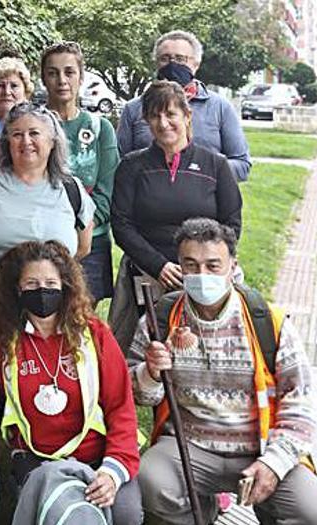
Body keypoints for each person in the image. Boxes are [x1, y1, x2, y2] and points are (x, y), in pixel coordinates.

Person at [132, 218, 317, 525]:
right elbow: (137, 394)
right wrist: (149, 372)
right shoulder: (160, 318)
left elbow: (300, 402)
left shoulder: (267, 321)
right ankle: (199, 518)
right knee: (149, 480)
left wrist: (273, 464)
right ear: (180, 267)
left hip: (259, 447)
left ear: (233, 266)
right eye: (191, 265)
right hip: (189, 446)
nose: (202, 275)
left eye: (213, 265)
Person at [0, 240, 142, 525]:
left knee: (127, 515)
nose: (41, 291)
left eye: (50, 283)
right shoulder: (0, 337)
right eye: (31, 283)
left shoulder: (94, 333)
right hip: (38, 458)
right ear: (17, 290)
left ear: (66, 286)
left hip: (97, 454)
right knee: (58, 508)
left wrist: (111, 473)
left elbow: (121, 407)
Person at [0, 102, 96, 512]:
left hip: (49, 316)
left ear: (53, 139)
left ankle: (37, 466)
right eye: (17, 133)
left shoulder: (71, 190)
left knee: (45, 390)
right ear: (6, 139)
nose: (26, 141)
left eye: (35, 133)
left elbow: (83, 248)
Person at [109, 81, 242, 359]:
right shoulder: (132, 166)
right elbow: (121, 224)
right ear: (146, 120)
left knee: (204, 348)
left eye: (171, 114)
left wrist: (203, 266)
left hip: (204, 275)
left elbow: (231, 223)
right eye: (155, 116)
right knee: (153, 353)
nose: (163, 123)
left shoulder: (215, 165)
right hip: (148, 274)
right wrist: (158, 266)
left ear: (187, 116)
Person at [41, 42, 119, 304]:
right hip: (41, 240)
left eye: (69, 72)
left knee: (81, 319)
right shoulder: (33, 125)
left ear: (81, 77)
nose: (61, 80)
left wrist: (80, 232)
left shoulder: (100, 128)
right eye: (53, 73)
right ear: (43, 77)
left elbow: (107, 190)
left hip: (91, 243)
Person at [116, 30, 251, 182]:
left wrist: (197, 170)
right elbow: (118, 163)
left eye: (180, 59)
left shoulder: (220, 108)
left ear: (196, 64)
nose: (172, 65)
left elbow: (242, 165)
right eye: (165, 59)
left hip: (205, 200)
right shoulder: (134, 109)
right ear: (156, 63)